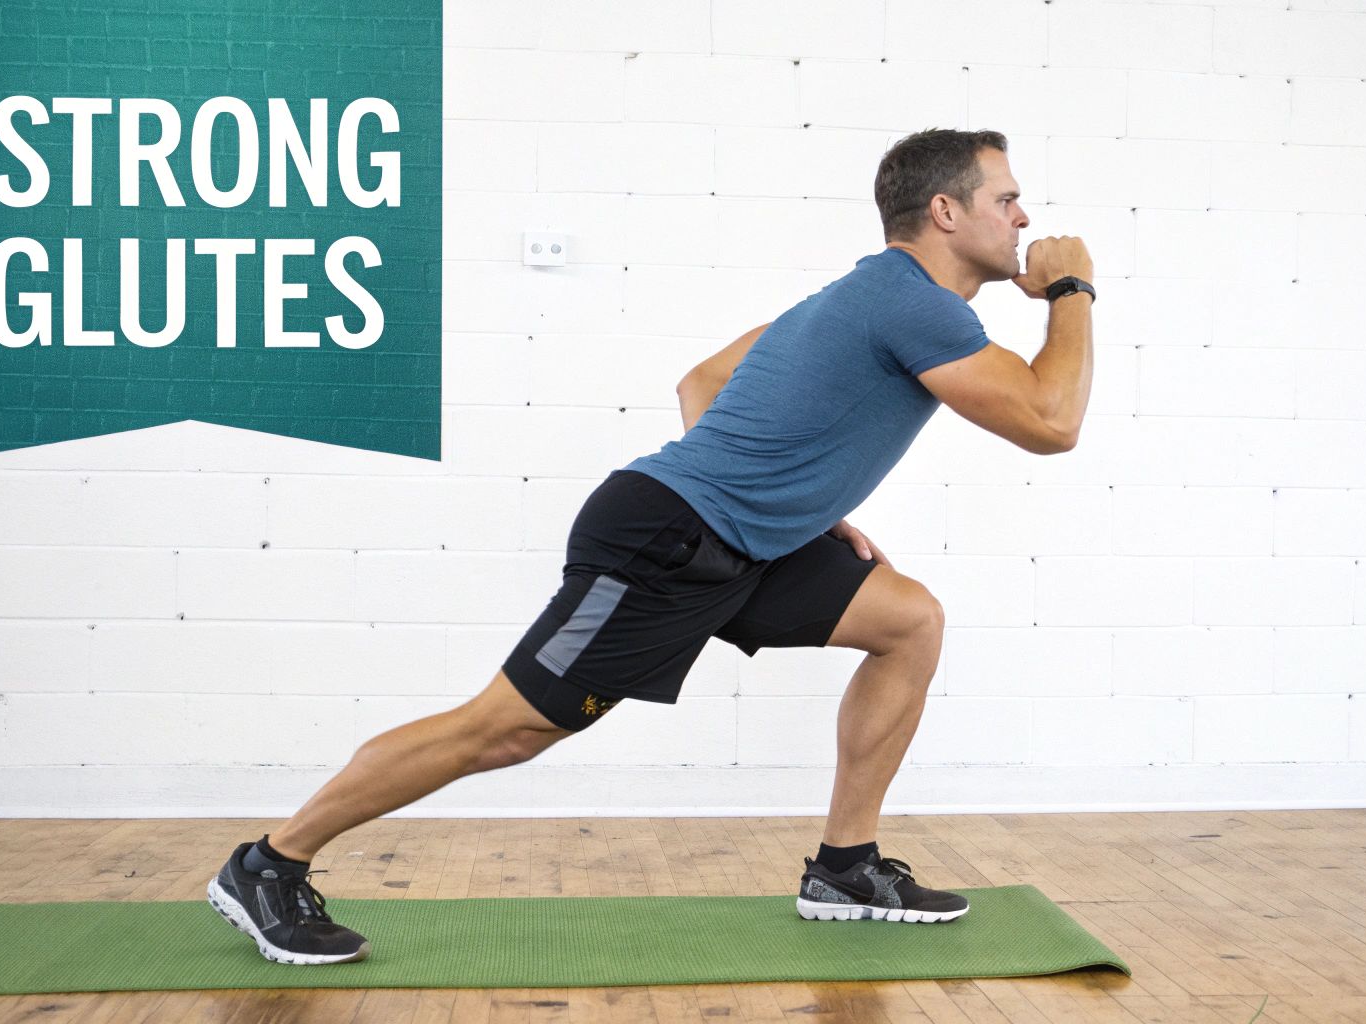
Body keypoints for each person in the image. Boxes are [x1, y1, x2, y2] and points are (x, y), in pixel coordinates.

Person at [205, 127, 1095, 965]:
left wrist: (793, 503)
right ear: (945, 211)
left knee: (909, 621)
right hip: (664, 539)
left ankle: (845, 864)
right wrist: (1071, 292)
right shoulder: (913, 302)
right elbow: (1050, 423)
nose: (1023, 218)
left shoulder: (862, 294)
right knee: (506, 730)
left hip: (746, 542)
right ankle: (270, 865)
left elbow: (702, 379)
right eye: (1007, 198)